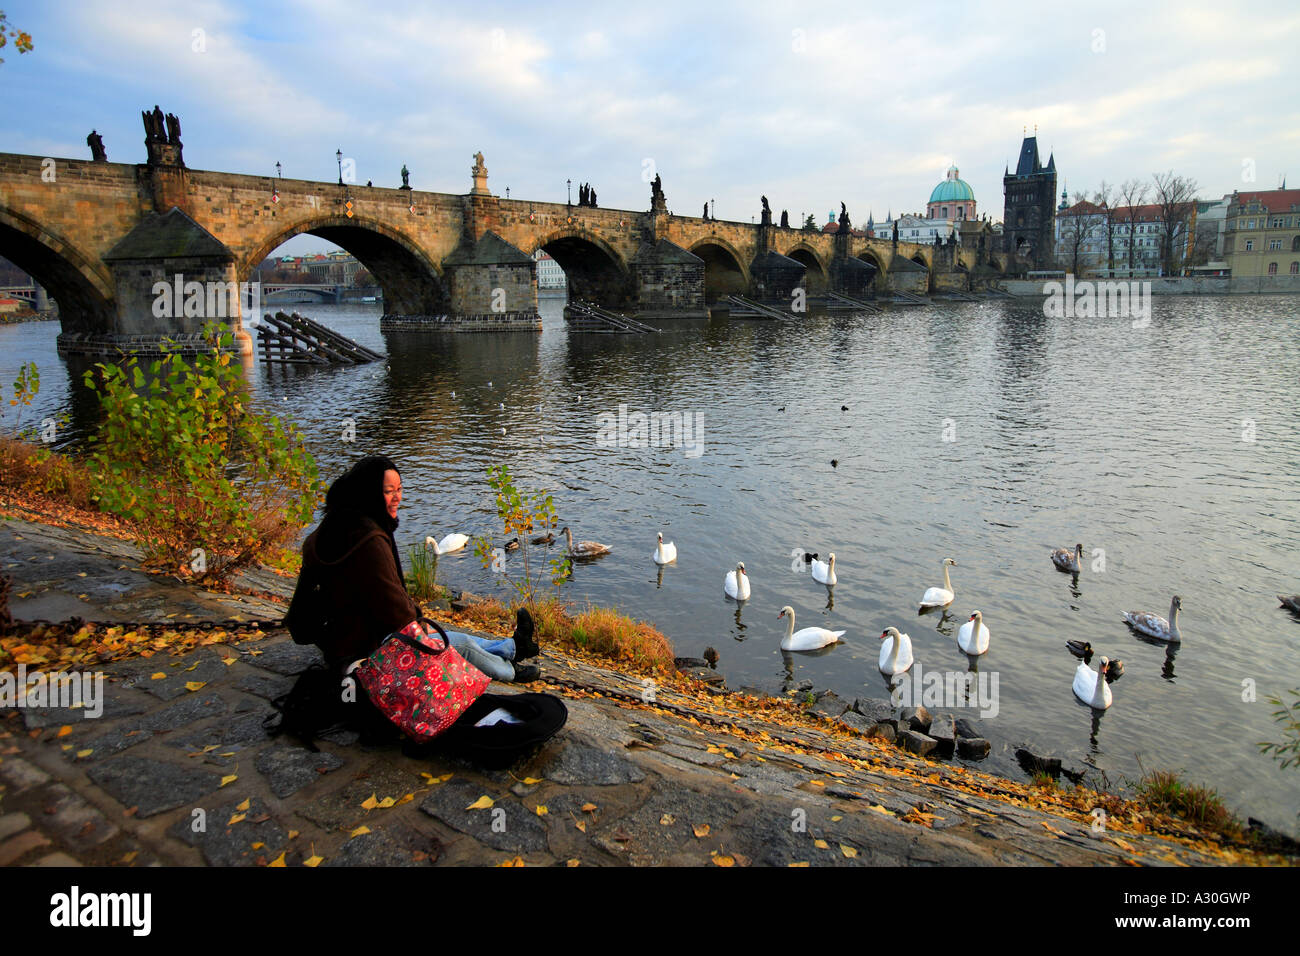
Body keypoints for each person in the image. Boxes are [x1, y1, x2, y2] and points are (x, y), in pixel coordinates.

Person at [289, 454, 540, 683]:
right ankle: (510, 672)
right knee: (456, 642)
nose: (398, 497)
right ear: (369, 494)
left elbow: (303, 616)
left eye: (399, 489)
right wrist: (419, 624)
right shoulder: (369, 541)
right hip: (364, 650)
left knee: (446, 634)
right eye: (389, 491)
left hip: (341, 641)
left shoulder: (325, 532)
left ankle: (514, 648)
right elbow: (397, 612)